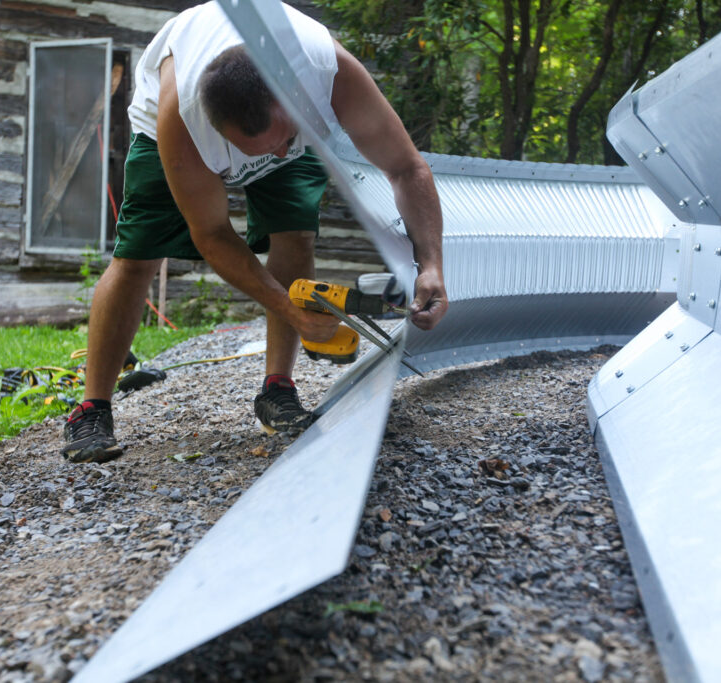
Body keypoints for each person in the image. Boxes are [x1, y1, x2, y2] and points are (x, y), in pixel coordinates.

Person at [62, 0, 448, 463]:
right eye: (256, 150)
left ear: (291, 98)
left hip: (284, 120)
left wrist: (430, 265)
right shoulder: (179, 116)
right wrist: (289, 308)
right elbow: (212, 234)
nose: (278, 156)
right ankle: (91, 409)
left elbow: (407, 167)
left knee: (295, 233)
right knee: (139, 256)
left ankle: (277, 390)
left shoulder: (327, 69)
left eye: (282, 142)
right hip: (176, 134)